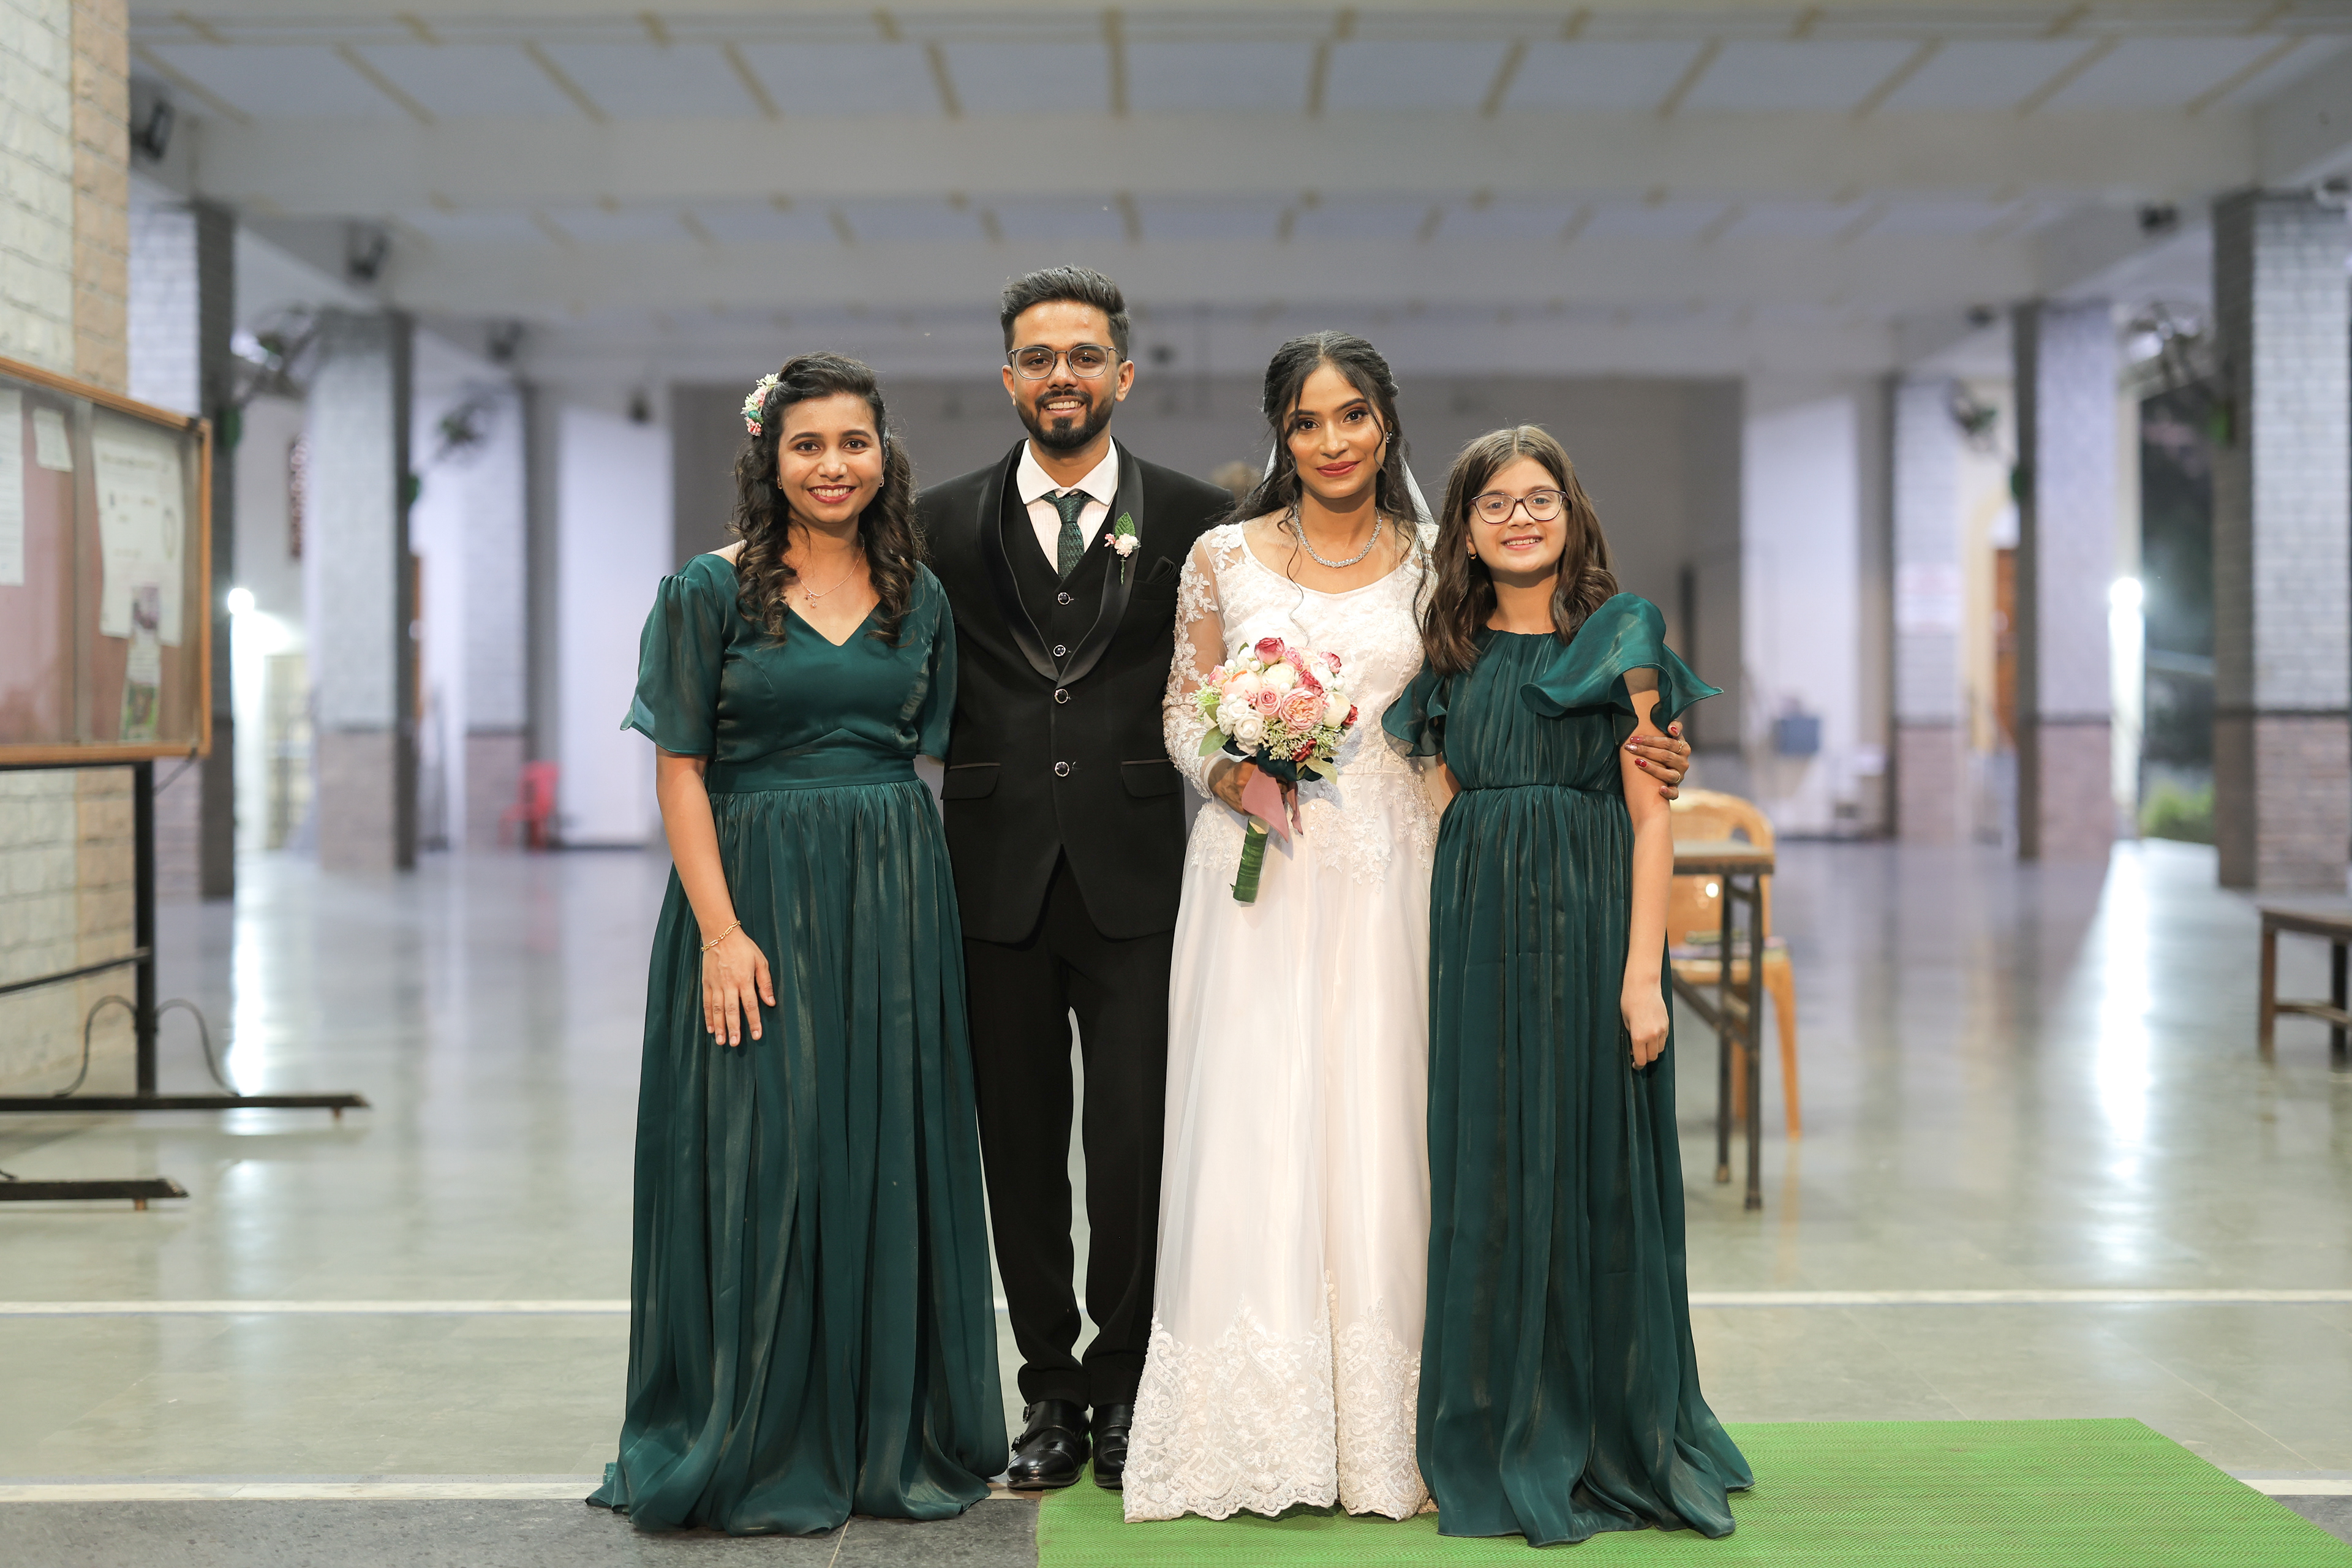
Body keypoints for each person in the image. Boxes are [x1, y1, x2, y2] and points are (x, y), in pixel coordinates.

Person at [1125, 339, 1695, 1525]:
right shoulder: (1221, 556)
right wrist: (1233, 772)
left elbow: (1513, 682)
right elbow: (1185, 707)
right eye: (1307, 421)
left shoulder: (1447, 554)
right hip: (1260, 870)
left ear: (1387, 423)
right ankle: (1253, 1426)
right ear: (1282, 435)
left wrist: (1643, 749)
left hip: (1405, 868)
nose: (1333, 440)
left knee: (1399, 1123)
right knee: (1257, 1120)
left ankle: (1420, 1422)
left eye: (1354, 415)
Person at [590, 353, 1004, 1536]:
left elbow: (939, 746)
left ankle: (881, 1428)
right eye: (807, 445)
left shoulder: (920, 595)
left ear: (885, 454)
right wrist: (720, 934)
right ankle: (755, 1428)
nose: (833, 466)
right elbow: (680, 770)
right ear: (769, 458)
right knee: (760, 1155)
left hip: (892, 893)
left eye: (854, 443)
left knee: (880, 1145)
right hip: (752, 893)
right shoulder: (708, 590)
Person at [1385, 426, 1752, 1547]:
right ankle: (1496, 1420)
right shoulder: (1448, 646)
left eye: (1539, 497)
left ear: (1572, 511)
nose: (1520, 518)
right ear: (1465, 529)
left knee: (1593, 1171)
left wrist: (1644, 979)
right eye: (1494, 502)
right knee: (1494, 1175)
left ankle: (1605, 1428)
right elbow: (1442, 782)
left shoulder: (1622, 633)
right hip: (1480, 936)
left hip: (1592, 927)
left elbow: (1654, 819)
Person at [916, 268, 1234, 1491]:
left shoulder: (1198, 518)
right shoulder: (938, 522)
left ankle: (1126, 1382)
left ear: (1123, 375)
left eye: (1085, 355)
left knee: (1135, 1143)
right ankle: (1047, 1385)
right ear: (1009, 378)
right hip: (991, 872)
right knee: (1020, 1145)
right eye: (1040, 357)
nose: (1063, 375)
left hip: (1139, 871)